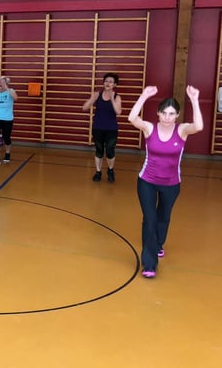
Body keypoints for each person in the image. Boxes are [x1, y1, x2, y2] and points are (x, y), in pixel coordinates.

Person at [128, 85, 203, 279]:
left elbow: (198, 126)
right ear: (158, 113)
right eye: (164, 113)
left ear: (177, 115)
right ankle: (149, 264)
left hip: (171, 183)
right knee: (150, 219)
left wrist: (195, 100)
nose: (167, 118)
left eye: (171, 114)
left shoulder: (182, 130)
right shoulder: (149, 128)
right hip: (147, 181)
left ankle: (158, 243)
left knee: (163, 217)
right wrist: (143, 96)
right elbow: (132, 118)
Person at [83, 73, 122, 182]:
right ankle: (98, 172)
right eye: (106, 81)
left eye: (111, 81)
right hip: (98, 128)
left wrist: (112, 100)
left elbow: (118, 112)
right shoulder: (97, 94)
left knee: (110, 151)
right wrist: (92, 99)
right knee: (99, 150)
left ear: (115, 84)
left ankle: (110, 170)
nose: (108, 83)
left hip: (111, 129)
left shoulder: (117, 97)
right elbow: (84, 108)